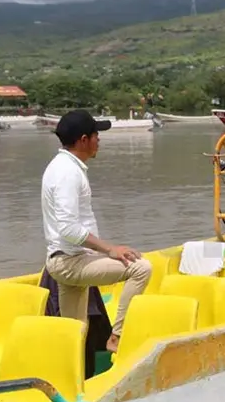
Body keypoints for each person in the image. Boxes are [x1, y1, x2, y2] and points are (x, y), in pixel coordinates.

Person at [41, 109, 153, 353]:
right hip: (71, 262)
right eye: (95, 135)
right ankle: (118, 337)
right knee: (141, 268)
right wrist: (110, 249)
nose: (99, 139)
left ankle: (70, 379)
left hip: (66, 259)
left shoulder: (62, 166)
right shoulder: (67, 173)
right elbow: (69, 228)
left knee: (74, 332)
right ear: (84, 140)